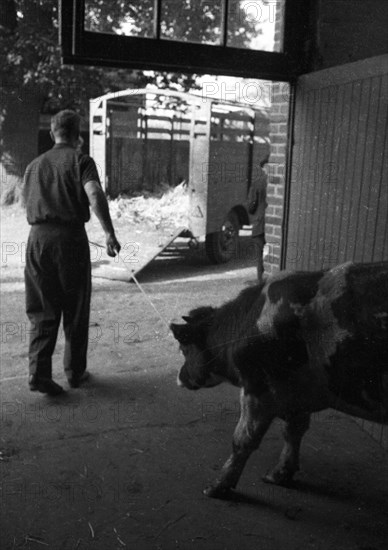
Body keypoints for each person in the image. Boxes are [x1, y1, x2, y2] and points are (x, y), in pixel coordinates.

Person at [23, 110, 121, 396]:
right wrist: (109, 232)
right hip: (69, 241)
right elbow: (93, 193)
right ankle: (75, 373)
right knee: (75, 308)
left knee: (42, 309)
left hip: (37, 240)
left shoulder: (34, 165)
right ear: (78, 134)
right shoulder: (82, 161)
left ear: (53, 132)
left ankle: (38, 374)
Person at [248, 155, 269, 282]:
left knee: (259, 257)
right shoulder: (280, 182)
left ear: (263, 168)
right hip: (273, 225)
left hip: (259, 225)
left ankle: (260, 282)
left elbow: (251, 207)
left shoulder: (257, 183)